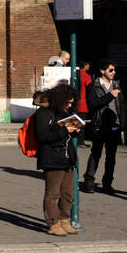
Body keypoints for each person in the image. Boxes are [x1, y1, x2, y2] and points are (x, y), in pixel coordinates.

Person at [34, 85, 84, 235]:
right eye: (67, 102)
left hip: (67, 157)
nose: (69, 105)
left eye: (71, 103)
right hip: (52, 157)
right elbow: (42, 136)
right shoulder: (43, 113)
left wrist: (76, 131)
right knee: (53, 193)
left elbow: (68, 136)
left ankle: (64, 220)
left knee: (67, 193)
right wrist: (64, 130)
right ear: (59, 99)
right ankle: (53, 223)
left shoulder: (65, 112)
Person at [82, 59, 124, 194]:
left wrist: (123, 123)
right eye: (110, 70)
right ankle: (88, 181)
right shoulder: (94, 86)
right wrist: (109, 96)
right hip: (99, 125)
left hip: (114, 125)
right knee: (96, 154)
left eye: (114, 70)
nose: (113, 72)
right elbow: (92, 104)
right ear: (102, 71)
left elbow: (122, 106)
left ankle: (107, 183)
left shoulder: (116, 85)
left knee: (111, 157)